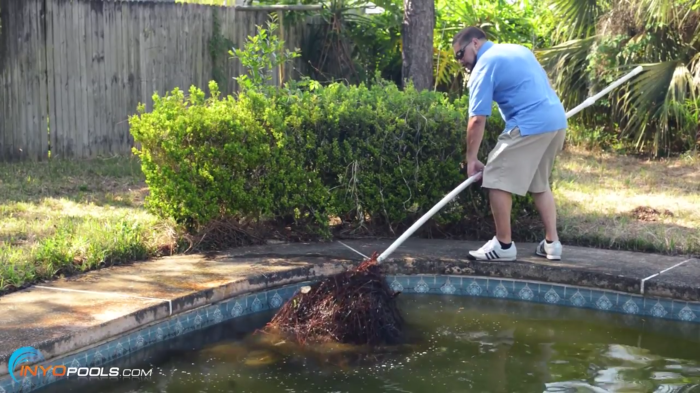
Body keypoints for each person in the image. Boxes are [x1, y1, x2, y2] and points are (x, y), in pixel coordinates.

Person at [452, 26, 566, 262]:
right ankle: (552, 244)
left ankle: (503, 246)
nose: (460, 61)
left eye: (459, 54)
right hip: (556, 122)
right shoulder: (518, 49)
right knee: (539, 184)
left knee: (495, 178)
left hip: (529, 124)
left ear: (474, 43)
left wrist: (471, 160)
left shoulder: (484, 66)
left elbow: (477, 119)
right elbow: (544, 83)